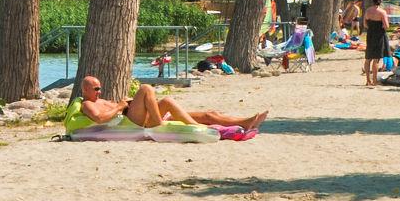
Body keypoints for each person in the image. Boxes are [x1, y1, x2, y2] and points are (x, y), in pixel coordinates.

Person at [76, 75, 265, 132]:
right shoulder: (87, 105)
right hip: (133, 123)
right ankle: (165, 123)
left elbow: (119, 108)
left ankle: (245, 121)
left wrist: (124, 103)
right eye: (95, 89)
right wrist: (119, 105)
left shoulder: (101, 100)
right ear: (85, 90)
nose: (99, 91)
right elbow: (100, 118)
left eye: (100, 88)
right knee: (145, 89)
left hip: (139, 116)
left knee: (208, 114)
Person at [363, 0, 391, 87]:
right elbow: (386, 26)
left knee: (368, 58)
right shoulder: (382, 12)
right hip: (379, 35)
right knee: (376, 59)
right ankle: (374, 81)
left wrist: (371, 27)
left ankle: (368, 80)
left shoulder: (368, 11)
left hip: (370, 34)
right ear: (380, 1)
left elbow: (365, 24)